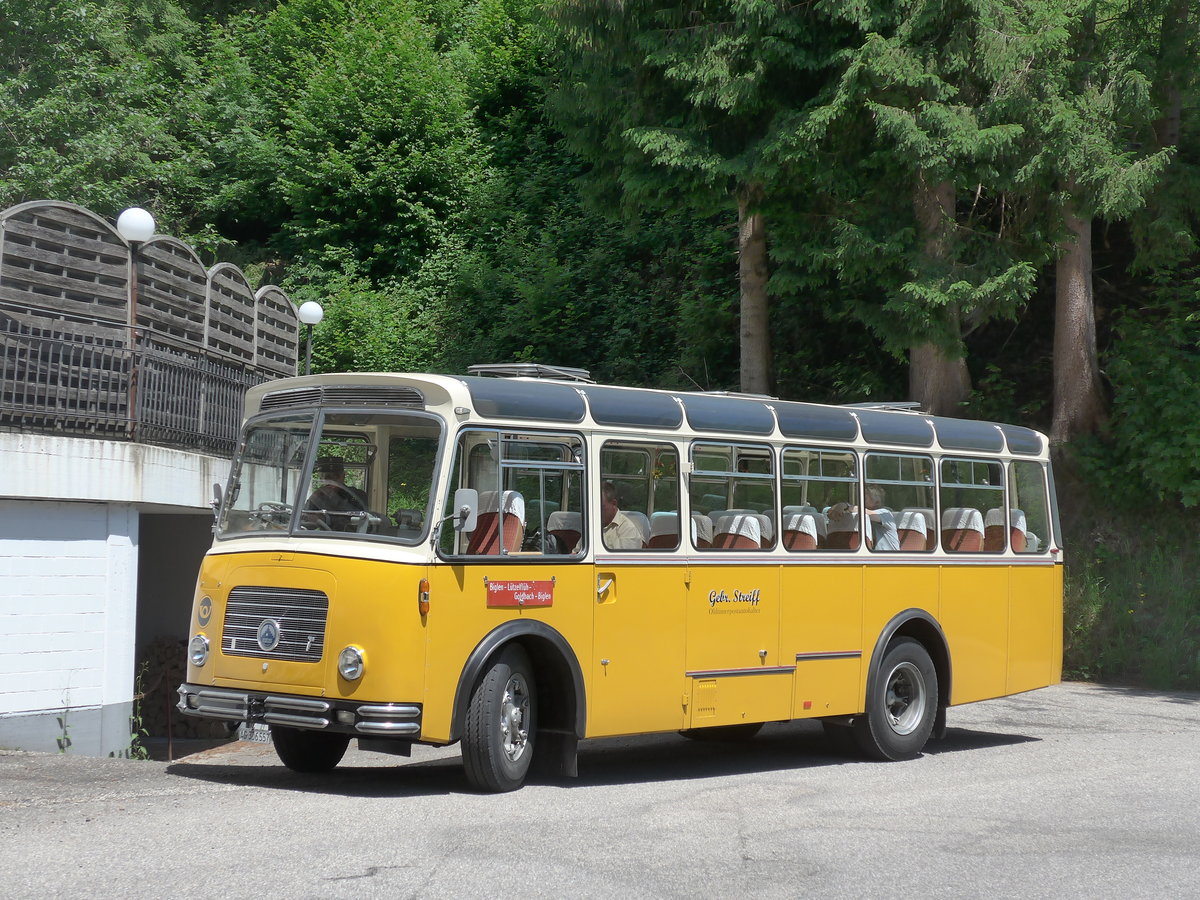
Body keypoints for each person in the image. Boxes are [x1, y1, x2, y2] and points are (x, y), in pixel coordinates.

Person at [304, 456, 368, 531]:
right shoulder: (318, 497)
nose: (330, 481)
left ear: (343, 476)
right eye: (325, 477)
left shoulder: (357, 496)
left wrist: (325, 518)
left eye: (335, 477)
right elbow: (305, 522)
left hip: (350, 540)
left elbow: (357, 524)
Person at [600, 481, 643, 550]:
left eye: (601, 507)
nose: (597, 512)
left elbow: (627, 560)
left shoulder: (628, 531)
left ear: (614, 504)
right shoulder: (592, 526)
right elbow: (578, 552)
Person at [863, 484, 900, 551]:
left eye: (865, 499)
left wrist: (848, 508)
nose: (862, 501)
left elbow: (865, 512)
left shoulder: (885, 513)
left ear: (877, 502)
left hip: (889, 556)